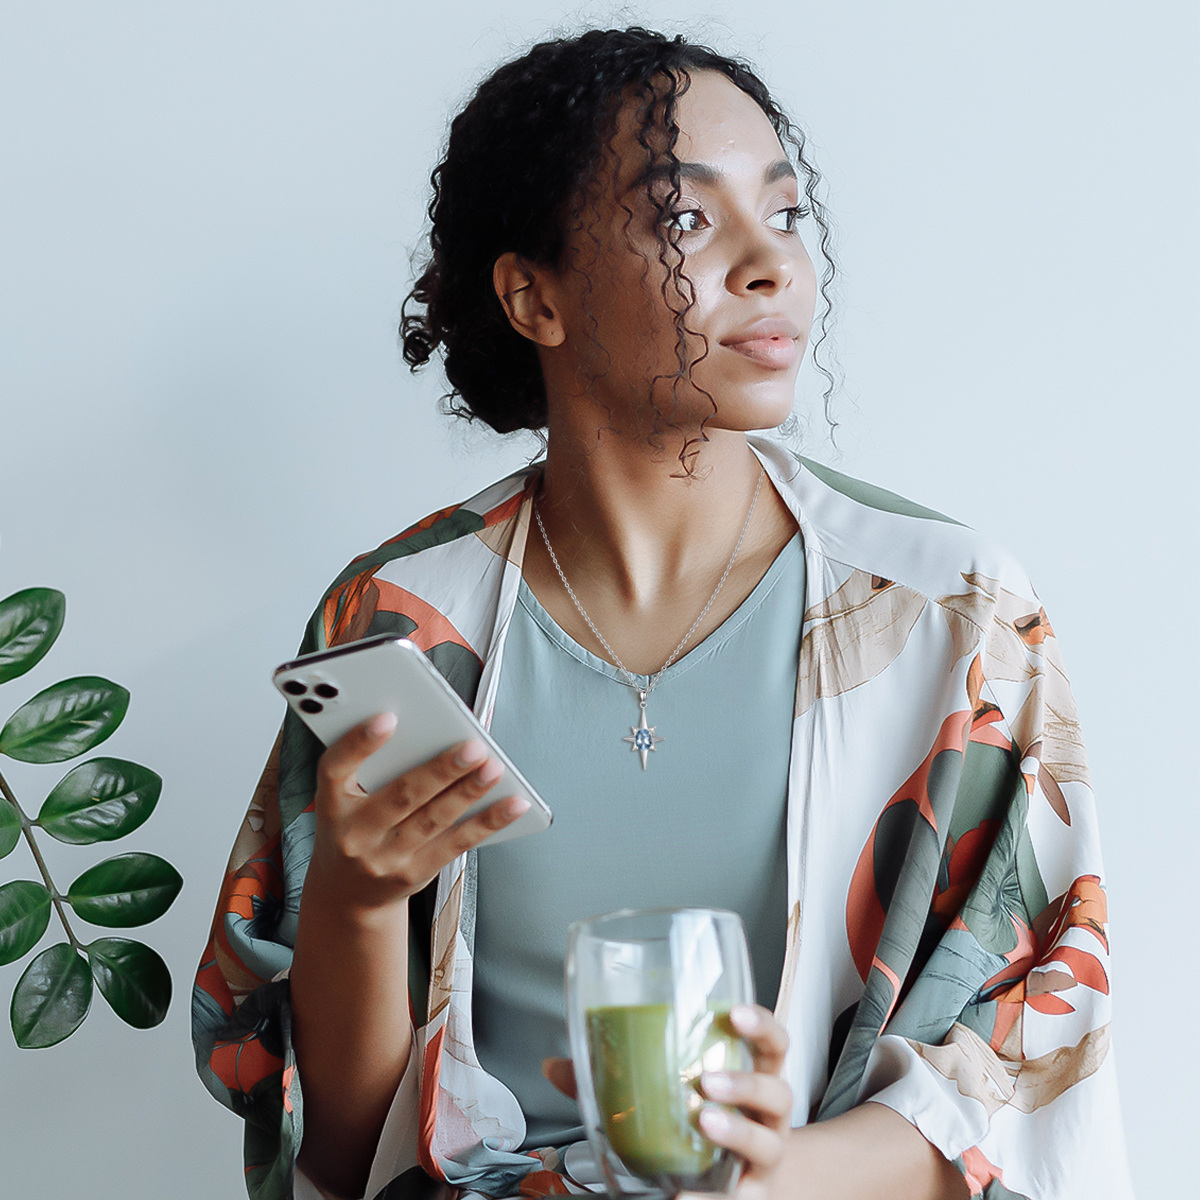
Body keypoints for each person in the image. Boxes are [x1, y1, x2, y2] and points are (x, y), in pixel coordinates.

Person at [192, 27, 1131, 1200]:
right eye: (688, 219)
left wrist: (778, 1172)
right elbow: (337, 1156)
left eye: (784, 214)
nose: (771, 263)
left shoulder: (950, 615)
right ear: (534, 295)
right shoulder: (396, 624)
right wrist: (358, 897)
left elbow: (1031, 1060)